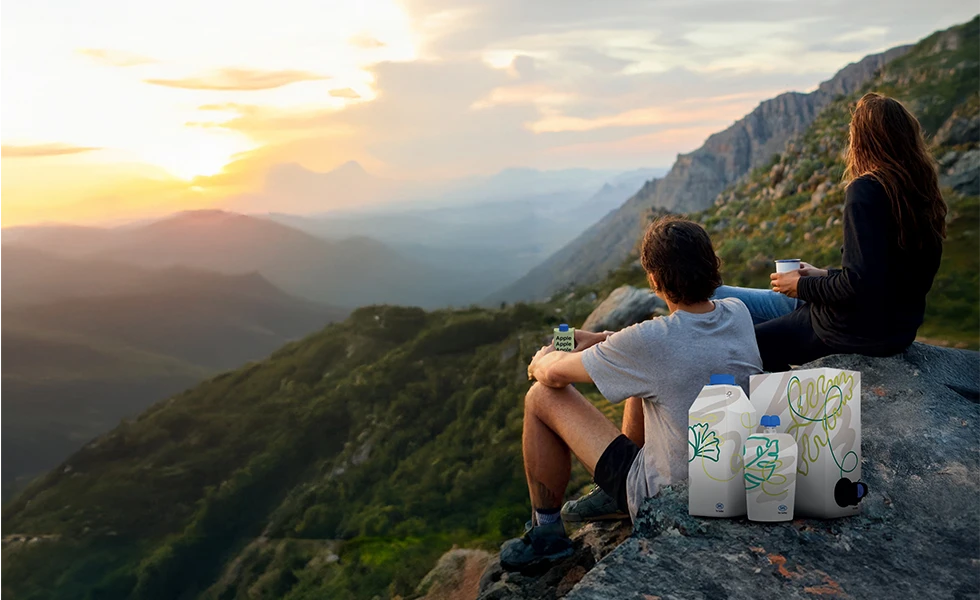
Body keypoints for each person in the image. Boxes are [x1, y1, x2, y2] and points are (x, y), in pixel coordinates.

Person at [499, 216, 762, 571]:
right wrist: (601, 340)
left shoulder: (651, 343)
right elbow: (665, 347)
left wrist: (542, 360)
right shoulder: (738, 313)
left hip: (665, 499)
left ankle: (547, 536)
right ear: (711, 265)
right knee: (640, 383)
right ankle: (612, 496)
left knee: (539, 397)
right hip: (728, 482)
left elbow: (553, 376)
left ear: (654, 279)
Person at [714, 92, 947, 372]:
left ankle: (791, 406)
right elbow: (884, 277)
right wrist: (821, 275)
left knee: (746, 341)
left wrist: (799, 286)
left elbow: (859, 286)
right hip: (894, 330)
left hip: (852, 329)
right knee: (727, 299)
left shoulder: (867, 190)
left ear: (862, 141)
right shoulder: (920, 192)